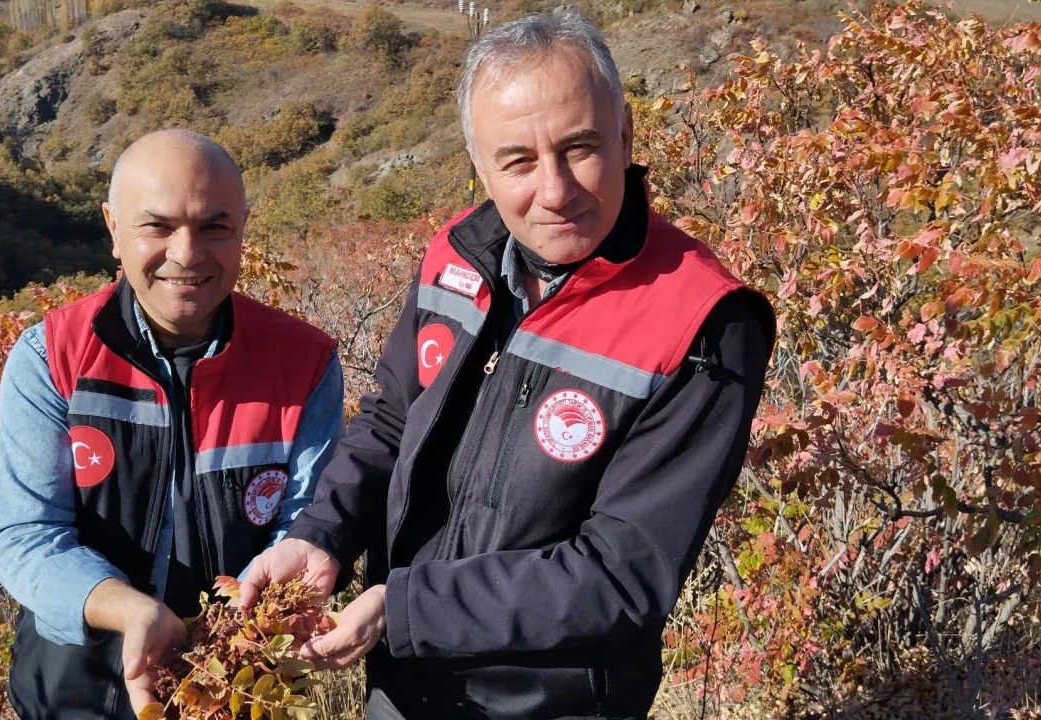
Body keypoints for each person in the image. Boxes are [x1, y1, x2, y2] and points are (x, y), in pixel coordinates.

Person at [239, 10, 776, 720]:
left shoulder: (702, 321)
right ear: (479, 166)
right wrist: (321, 534)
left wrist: (402, 610)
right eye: (517, 161)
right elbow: (393, 420)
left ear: (625, 135)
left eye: (581, 147)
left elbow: (623, 575)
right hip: (404, 687)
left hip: (552, 703)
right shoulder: (458, 255)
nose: (554, 191)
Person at [0, 129, 344, 719]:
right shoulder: (53, 356)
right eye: (158, 226)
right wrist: (127, 609)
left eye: (214, 227)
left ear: (243, 228)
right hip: (72, 691)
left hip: (235, 687)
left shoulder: (302, 362)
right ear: (113, 228)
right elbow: (23, 535)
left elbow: (307, 522)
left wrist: (240, 633)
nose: (186, 253)